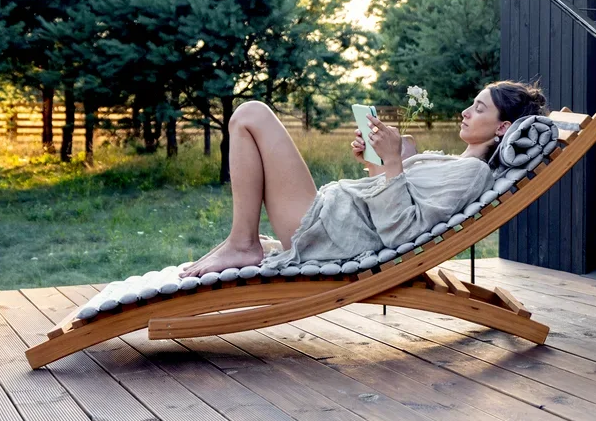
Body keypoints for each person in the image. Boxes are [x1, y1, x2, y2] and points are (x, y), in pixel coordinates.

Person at [180, 81, 546, 276]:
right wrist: (375, 162)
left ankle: (242, 243)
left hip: (328, 233)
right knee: (251, 116)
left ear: (503, 127)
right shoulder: (453, 163)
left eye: (479, 109)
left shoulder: (472, 172)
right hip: (330, 217)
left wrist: (392, 160)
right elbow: (389, 197)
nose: (465, 112)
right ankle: (241, 241)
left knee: (250, 115)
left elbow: (400, 232)